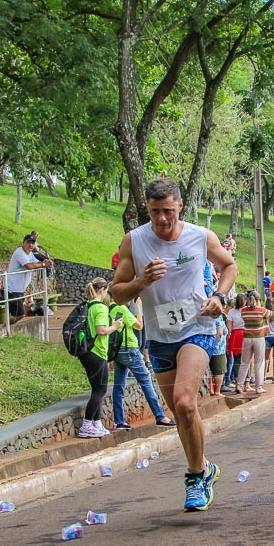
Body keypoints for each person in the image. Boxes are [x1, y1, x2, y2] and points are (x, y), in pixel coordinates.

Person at [111, 177, 237, 512]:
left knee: (184, 402)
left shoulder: (199, 235)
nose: (162, 219)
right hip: (159, 335)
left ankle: (195, 478)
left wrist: (219, 297)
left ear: (179, 206)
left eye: (168, 211)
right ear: (147, 210)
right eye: (155, 212)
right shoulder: (134, 241)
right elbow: (116, 292)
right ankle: (206, 467)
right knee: (181, 414)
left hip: (197, 325)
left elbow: (229, 266)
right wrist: (141, 281)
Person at [108, 297, 175, 430]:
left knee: (119, 385)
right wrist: (138, 307)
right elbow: (139, 325)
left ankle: (119, 420)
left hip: (117, 350)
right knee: (146, 380)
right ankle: (160, 416)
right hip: (129, 349)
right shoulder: (122, 309)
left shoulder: (109, 309)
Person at [77, 277, 126, 438]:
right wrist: (115, 326)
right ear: (102, 290)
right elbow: (101, 331)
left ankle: (96, 423)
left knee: (96, 389)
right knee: (101, 390)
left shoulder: (89, 306)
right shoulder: (101, 308)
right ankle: (86, 425)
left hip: (88, 352)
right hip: (97, 352)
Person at [7, 235, 52, 324]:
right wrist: (43, 265)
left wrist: (46, 262)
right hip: (12, 289)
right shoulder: (19, 252)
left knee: (18, 313)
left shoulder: (29, 254)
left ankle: (8, 328)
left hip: (20, 289)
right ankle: (5, 327)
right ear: (23, 243)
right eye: (28, 242)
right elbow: (29, 266)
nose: (31, 245)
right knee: (20, 314)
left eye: (33, 243)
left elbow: (35, 262)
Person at [236, 291, 271, 394]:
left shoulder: (243, 311)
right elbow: (273, 314)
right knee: (259, 362)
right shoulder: (262, 310)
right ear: (258, 300)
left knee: (244, 362)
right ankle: (259, 387)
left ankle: (239, 385)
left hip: (246, 338)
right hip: (259, 338)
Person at [222, 293, 246, 392]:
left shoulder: (231, 312)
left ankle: (237, 382)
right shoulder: (247, 310)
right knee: (246, 360)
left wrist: (228, 340)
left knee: (236, 360)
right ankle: (245, 382)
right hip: (246, 335)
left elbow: (229, 328)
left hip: (236, 337)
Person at [209, 314, 228, 396]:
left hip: (209, 347)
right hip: (218, 348)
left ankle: (212, 390)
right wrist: (214, 344)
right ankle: (217, 391)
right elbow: (219, 333)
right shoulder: (217, 316)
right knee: (219, 370)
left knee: (210, 370)